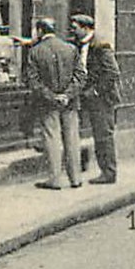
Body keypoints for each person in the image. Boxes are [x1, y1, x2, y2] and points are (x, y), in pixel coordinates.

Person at [25, 16, 81, 190]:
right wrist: (67, 95)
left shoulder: (35, 51)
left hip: (48, 103)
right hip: (69, 103)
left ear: (40, 31)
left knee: (52, 138)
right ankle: (75, 179)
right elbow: (80, 76)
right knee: (72, 138)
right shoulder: (70, 49)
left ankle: (55, 179)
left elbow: (34, 82)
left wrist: (52, 96)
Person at [71, 13, 122, 184]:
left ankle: (108, 173)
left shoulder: (101, 45)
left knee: (103, 135)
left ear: (86, 28)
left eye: (75, 27)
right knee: (96, 133)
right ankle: (103, 170)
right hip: (86, 96)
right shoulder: (80, 44)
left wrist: (95, 91)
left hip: (101, 98)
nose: (72, 30)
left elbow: (112, 73)